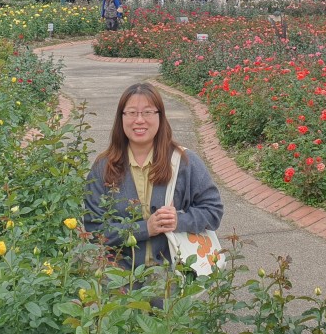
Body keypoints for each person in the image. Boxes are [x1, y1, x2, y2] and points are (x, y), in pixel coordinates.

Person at [83, 83, 223, 269]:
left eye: (148, 112)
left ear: (160, 116)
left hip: (170, 275)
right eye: (132, 113)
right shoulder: (104, 167)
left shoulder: (184, 162)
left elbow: (213, 211)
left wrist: (178, 221)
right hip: (119, 276)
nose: (139, 120)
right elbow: (95, 229)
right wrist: (145, 228)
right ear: (121, 118)